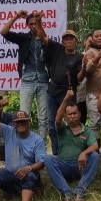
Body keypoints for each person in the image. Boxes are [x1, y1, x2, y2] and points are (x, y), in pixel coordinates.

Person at [44, 90, 100, 201]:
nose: (73, 116)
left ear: (79, 114)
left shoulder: (87, 130)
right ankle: (67, 193)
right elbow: (58, 119)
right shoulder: (62, 129)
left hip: (80, 167)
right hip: (63, 166)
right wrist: (66, 99)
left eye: (75, 113)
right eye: (69, 114)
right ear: (66, 116)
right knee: (48, 159)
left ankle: (80, 191)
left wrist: (84, 153)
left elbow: (95, 146)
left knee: (95, 155)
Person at [0, 10, 49, 142]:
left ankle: (42, 143)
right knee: (23, 115)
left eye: (36, 23)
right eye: (31, 24)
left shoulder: (45, 40)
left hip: (43, 80)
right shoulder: (24, 38)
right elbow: (3, 32)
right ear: (27, 25)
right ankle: (23, 143)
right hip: (27, 81)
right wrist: (16, 16)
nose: (34, 26)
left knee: (43, 117)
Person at [36, 23, 83, 156]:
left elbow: (80, 77)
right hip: (52, 91)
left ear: (75, 41)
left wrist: (86, 68)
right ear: (63, 41)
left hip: (68, 92)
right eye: (66, 39)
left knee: (70, 121)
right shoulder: (58, 49)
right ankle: (57, 152)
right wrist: (39, 22)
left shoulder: (79, 57)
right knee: (52, 122)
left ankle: (71, 150)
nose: (68, 41)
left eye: (71, 38)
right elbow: (43, 37)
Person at [76, 32, 93, 120]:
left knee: (95, 122)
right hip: (81, 94)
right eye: (90, 41)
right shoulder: (78, 57)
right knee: (80, 120)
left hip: (94, 95)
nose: (91, 43)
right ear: (84, 42)